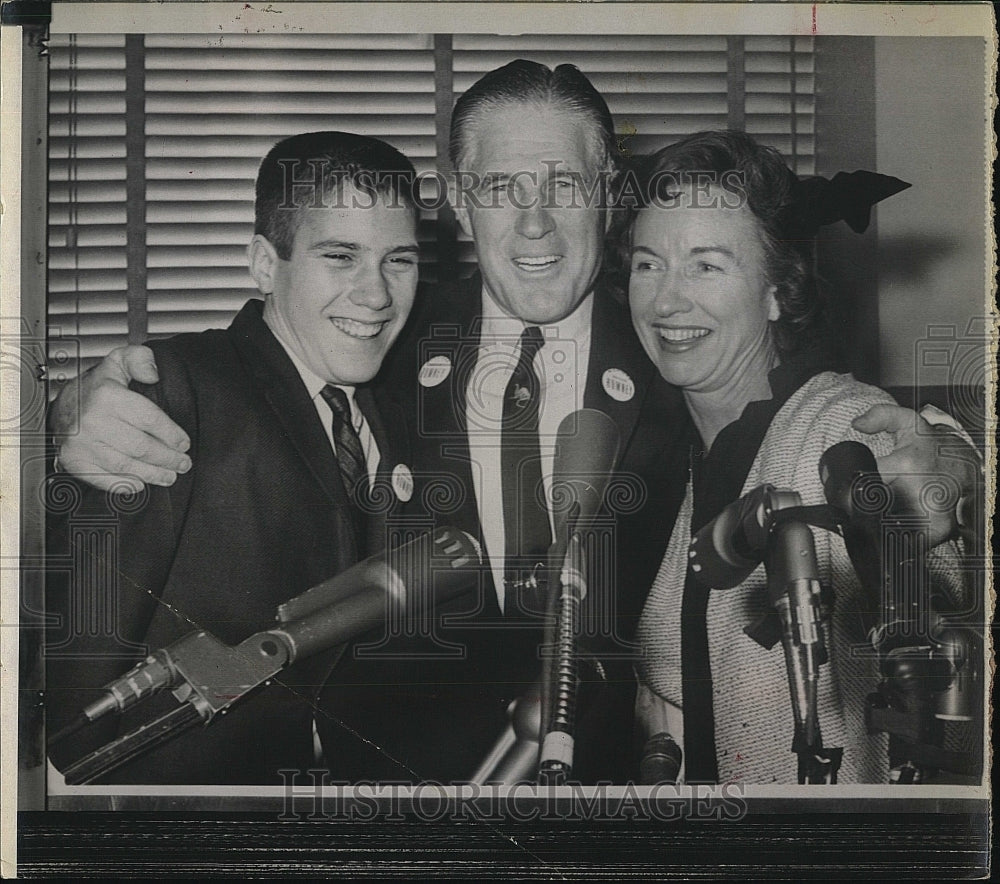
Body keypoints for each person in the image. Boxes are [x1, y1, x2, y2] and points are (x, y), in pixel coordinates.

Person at [48, 62, 979, 783]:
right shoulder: (380, 339)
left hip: (614, 801)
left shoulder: (674, 348)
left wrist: (945, 456)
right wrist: (73, 411)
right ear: (458, 199)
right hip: (399, 802)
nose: (534, 225)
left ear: (607, 193)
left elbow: (822, 423)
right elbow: (245, 376)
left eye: (563, 186)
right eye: (500, 190)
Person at [45, 131, 422, 784]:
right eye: (341, 256)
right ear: (265, 264)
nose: (377, 294)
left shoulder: (395, 411)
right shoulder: (174, 391)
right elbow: (80, 666)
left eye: (401, 260)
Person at [622, 130, 975, 784]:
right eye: (649, 263)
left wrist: (950, 475)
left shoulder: (837, 425)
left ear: (778, 290)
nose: (667, 300)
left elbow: (936, 568)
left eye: (706, 264)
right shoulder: (674, 456)